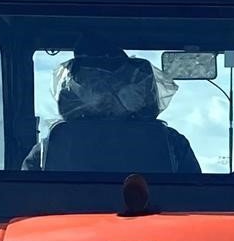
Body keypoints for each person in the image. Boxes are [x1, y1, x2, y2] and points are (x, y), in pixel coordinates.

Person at [22, 51, 201, 174]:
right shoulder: (171, 143)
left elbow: (25, 198)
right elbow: (198, 198)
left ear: (68, 94)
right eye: (97, 87)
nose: (107, 97)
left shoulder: (51, 146)